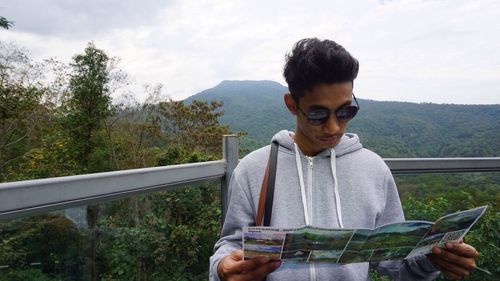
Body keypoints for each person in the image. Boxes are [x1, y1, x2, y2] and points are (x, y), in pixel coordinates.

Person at [209, 38, 478, 280]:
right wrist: (222, 268)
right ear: (292, 104)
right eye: (318, 114)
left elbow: (396, 263)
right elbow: (231, 244)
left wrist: (432, 259)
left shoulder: (373, 169)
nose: (333, 127)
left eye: (345, 112)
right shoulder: (254, 169)